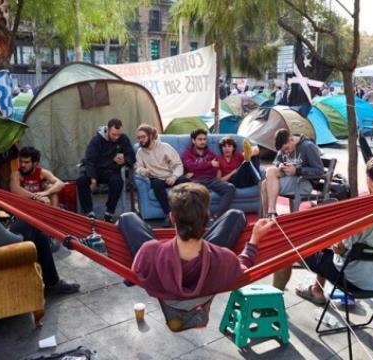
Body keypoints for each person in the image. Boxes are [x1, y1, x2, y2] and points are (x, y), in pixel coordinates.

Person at [117, 183, 273, 326]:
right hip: (210, 267)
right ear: (207, 217)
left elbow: (135, 273)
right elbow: (243, 268)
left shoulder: (148, 251)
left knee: (127, 218)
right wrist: (254, 239)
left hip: (160, 267)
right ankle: (194, 236)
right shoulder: (223, 258)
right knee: (236, 215)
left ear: (172, 218)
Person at [295, 157, 373, 304]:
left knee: (298, 247)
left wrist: (334, 236)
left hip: (356, 280)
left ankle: (314, 292)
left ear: (369, 181)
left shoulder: (365, 215)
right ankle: (317, 290)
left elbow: (340, 250)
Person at [77, 118, 135, 222]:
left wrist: (124, 160)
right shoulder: (96, 140)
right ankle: (89, 211)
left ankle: (109, 212)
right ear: (107, 130)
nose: (116, 137)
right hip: (96, 170)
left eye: (118, 134)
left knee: (117, 181)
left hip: (111, 171)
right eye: (114, 134)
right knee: (81, 180)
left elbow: (131, 155)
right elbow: (90, 160)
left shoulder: (123, 138)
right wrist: (93, 179)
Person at [261, 129, 323, 219]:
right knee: (269, 172)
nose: (286, 152)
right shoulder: (284, 146)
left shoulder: (308, 146)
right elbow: (277, 162)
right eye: (283, 151)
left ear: (291, 139)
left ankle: (269, 216)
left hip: (304, 182)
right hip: (290, 178)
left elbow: (319, 170)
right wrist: (280, 165)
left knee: (265, 185)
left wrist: (297, 171)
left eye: (287, 149)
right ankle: (270, 213)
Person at [135, 124, 190, 223]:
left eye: (143, 137)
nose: (140, 140)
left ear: (151, 136)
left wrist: (174, 177)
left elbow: (178, 164)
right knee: (157, 184)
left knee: (185, 181)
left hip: (170, 177)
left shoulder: (165, 147)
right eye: (138, 138)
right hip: (156, 179)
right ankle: (168, 214)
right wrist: (143, 170)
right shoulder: (140, 152)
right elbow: (137, 167)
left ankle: (186, 213)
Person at [182, 128, 236, 219]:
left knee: (230, 188)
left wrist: (198, 168)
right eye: (200, 139)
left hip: (211, 179)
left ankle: (218, 217)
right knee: (197, 193)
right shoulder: (187, 154)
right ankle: (206, 218)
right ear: (193, 141)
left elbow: (215, 169)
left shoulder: (211, 154)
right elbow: (190, 166)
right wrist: (209, 164)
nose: (203, 142)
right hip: (195, 180)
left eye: (204, 139)